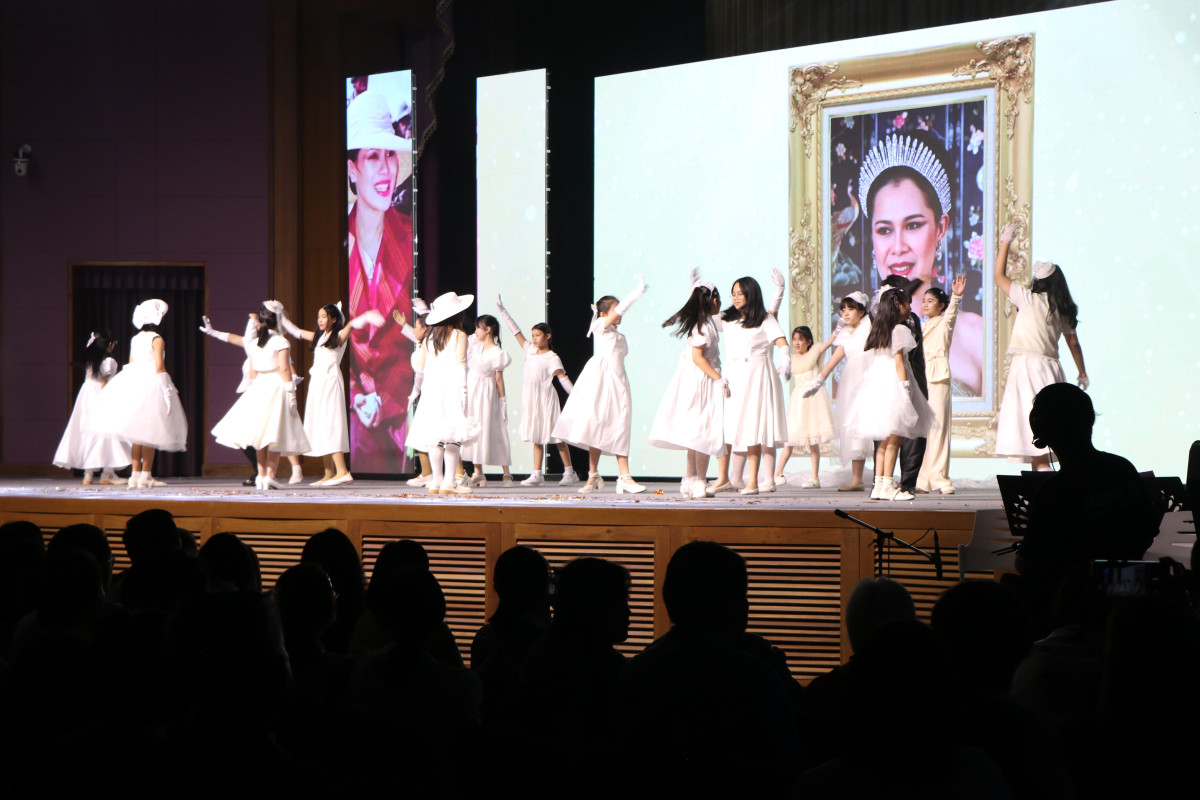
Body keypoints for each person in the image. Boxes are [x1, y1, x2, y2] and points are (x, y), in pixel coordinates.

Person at [859, 133, 984, 396]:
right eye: (884, 230)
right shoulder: (855, 337)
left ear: (941, 228)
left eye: (913, 225)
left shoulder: (977, 336)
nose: (898, 247)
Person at [346, 89, 416, 474]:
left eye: (390, 154)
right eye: (373, 156)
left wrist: (387, 401)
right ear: (352, 170)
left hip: (404, 421)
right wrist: (357, 396)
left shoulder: (410, 237)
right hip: (355, 421)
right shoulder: (338, 244)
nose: (387, 169)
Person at [993, 222, 1088, 469]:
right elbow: (1073, 343)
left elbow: (999, 276)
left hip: (1026, 367)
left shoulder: (1027, 298)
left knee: (1032, 424)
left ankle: (1042, 475)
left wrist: (1005, 242)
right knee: (1053, 424)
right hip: (1050, 369)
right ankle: (1047, 472)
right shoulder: (1063, 308)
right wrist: (1082, 372)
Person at [552, 276, 648, 494]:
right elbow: (619, 310)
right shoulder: (599, 326)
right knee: (596, 424)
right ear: (604, 314)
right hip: (600, 381)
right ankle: (597, 475)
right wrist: (636, 293)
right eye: (615, 309)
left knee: (619, 424)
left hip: (617, 381)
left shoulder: (616, 334)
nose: (620, 313)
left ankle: (617, 476)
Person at [275, 301, 385, 486]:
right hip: (318, 383)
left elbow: (351, 325)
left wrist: (366, 317)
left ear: (334, 319)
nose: (320, 320)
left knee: (330, 423)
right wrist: (280, 315)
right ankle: (329, 473)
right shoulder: (319, 337)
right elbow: (296, 332)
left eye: (324, 317)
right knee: (320, 423)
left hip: (330, 382)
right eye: (319, 317)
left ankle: (342, 471)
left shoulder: (339, 336)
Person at [199, 311, 311, 485]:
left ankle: (261, 474)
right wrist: (290, 391)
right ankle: (270, 476)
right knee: (274, 433)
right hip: (276, 386)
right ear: (278, 323)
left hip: (259, 386)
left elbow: (253, 372)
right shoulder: (281, 341)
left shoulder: (254, 343)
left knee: (260, 434)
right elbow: (285, 369)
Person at [842, 286, 932, 500]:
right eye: (908, 304)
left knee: (883, 440)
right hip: (893, 384)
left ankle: (879, 486)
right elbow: (899, 362)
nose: (910, 308)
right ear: (898, 305)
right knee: (894, 439)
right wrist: (905, 389)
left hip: (876, 385)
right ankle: (889, 485)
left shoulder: (879, 329)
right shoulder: (899, 329)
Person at [648, 270, 729, 499]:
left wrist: (695, 284)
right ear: (714, 300)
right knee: (704, 431)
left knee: (697, 433)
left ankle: (690, 479)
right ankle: (699, 481)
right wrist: (719, 378)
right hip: (702, 382)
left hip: (700, 380)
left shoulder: (706, 322)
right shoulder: (701, 326)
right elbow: (698, 358)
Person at [94, 299, 188, 488]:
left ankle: (135, 475)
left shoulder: (135, 338)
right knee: (151, 431)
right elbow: (159, 366)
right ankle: (146, 476)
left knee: (137, 434)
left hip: (134, 381)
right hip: (151, 383)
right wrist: (167, 392)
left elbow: (130, 363)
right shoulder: (157, 339)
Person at [495, 298, 578, 487]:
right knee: (536, 436)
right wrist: (503, 311)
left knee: (557, 436)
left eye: (538, 335)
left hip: (546, 400)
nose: (534, 338)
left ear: (548, 336)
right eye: (533, 335)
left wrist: (576, 395)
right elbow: (515, 331)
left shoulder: (552, 358)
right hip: (532, 400)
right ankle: (537, 474)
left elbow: (563, 379)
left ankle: (569, 472)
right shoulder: (529, 350)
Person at [720, 276, 791, 495]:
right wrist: (696, 291)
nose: (735, 297)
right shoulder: (727, 318)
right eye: (733, 294)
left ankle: (762, 480)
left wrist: (786, 360)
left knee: (759, 426)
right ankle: (733, 478)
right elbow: (703, 318)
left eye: (740, 293)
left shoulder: (764, 319)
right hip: (735, 377)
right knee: (736, 427)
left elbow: (781, 341)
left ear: (750, 294)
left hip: (758, 376)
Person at [404, 292, 480, 495]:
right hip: (451, 389)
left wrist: (415, 392)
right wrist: (463, 396)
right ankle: (449, 482)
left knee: (436, 437)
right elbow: (461, 367)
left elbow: (420, 370)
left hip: (431, 391)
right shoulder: (459, 335)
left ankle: (436, 481)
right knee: (453, 435)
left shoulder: (429, 337)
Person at [805, 292, 872, 491]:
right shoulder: (845, 334)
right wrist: (817, 382)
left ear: (861, 311)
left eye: (851, 309)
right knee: (855, 428)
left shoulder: (870, 326)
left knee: (875, 426)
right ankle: (857, 479)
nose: (846, 313)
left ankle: (883, 477)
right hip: (851, 383)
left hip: (870, 379)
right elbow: (831, 362)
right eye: (843, 310)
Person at [53, 329, 130, 485]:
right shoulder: (108, 361)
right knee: (107, 433)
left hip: (86, 396)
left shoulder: (91, 360)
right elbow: (104, 384)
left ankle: (88, 475)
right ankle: (108, 473)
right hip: (100, 395)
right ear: (109, 344)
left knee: (88, 433)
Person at [916, 274, 966, 494]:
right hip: (922, 377)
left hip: (938, 377)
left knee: (938, 427)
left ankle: (940, 478)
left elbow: (952, 314)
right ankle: (923, 479)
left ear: (941, 305)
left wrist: (956, 296)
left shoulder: (944, 323)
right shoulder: (922, 326)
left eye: (930, 301)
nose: (925, 304)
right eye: (924, 301)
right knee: (923, 429)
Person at [774, 325, 834, 488]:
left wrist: (839, 331)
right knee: (789, 440)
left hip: (813, 401)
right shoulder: (791, 359)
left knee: (813, 441)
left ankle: (815, 478)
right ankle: (777, 473)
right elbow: (776, 370)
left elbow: (828, 343)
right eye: (794, 339)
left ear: (808, 341)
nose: (796, 343)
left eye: (800, 339)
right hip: (798, 403)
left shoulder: (814, 354)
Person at [462, 315, 514, 487]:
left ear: (488, 329)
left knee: (495, 428)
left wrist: (503, 403)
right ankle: (478, 472)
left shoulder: (497, 353)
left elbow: (499, 379)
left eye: (479, 327)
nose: (476, 331)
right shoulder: (474, 344)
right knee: (473, 428)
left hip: (487, 393)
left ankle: (506, 474)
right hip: (472, 390)